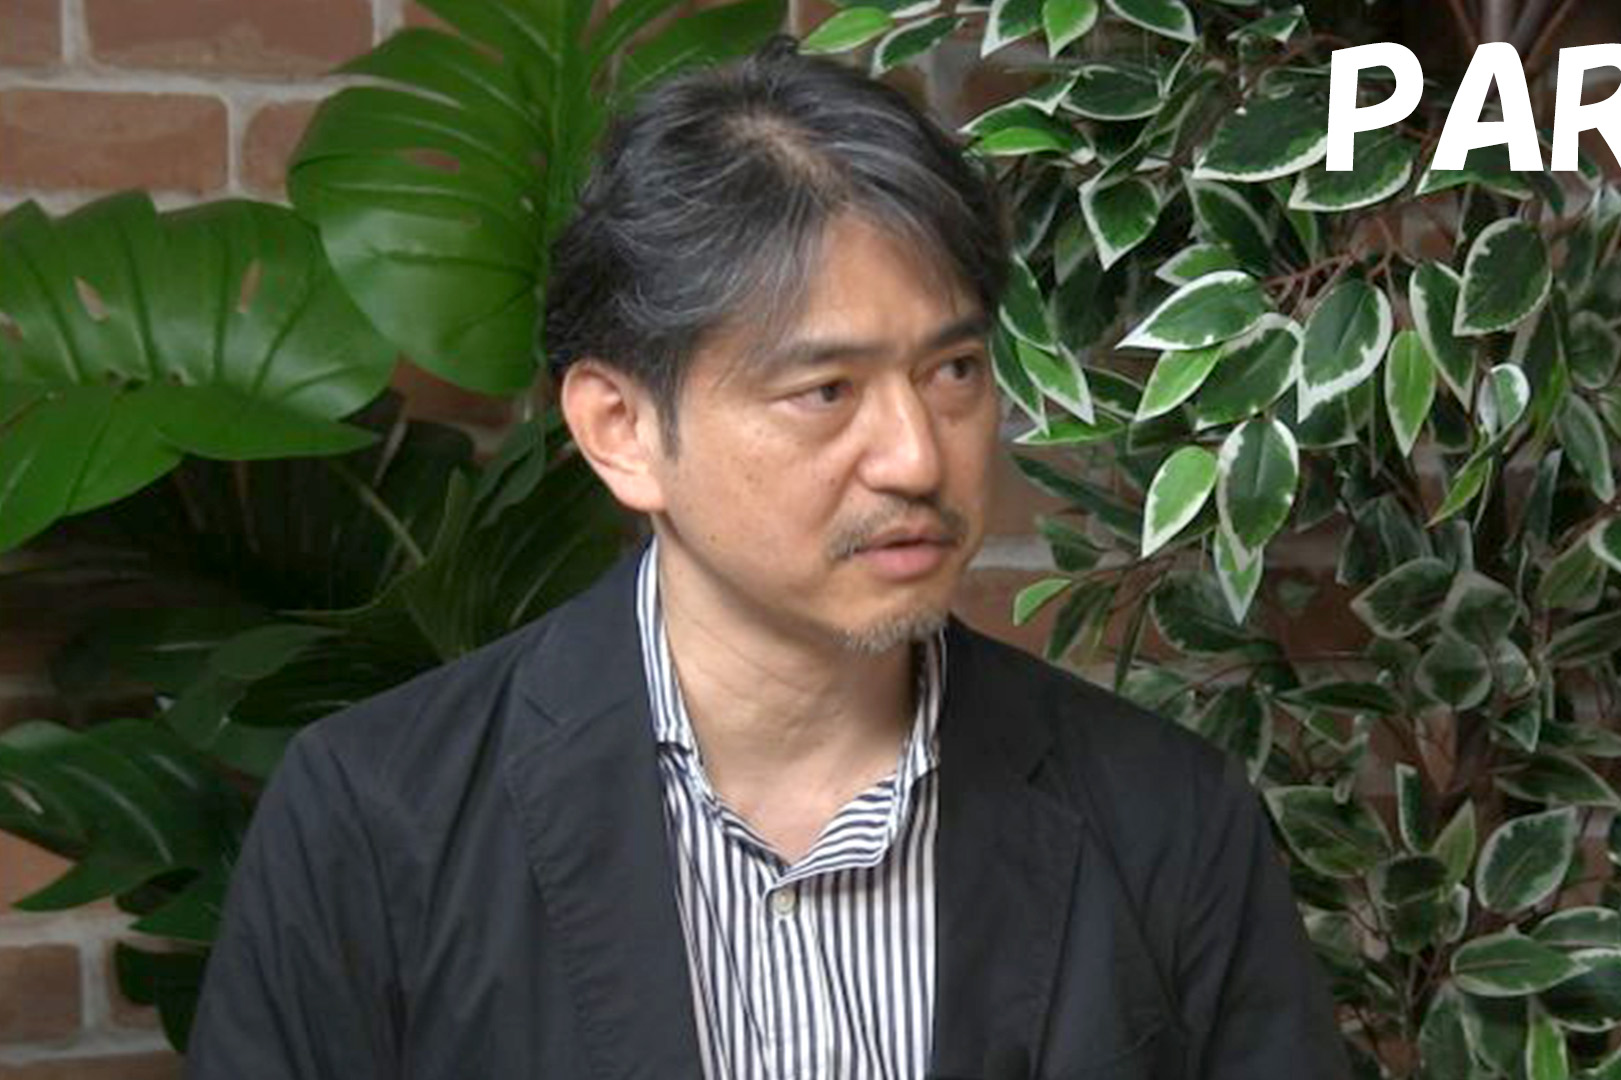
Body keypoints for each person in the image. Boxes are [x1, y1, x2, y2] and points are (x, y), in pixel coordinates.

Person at [185, 34, 1349, 1080]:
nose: (916, 456)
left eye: (952, 372)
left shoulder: (1165, 816)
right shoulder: (377, 818)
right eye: (825, 390)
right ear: (621, 429)